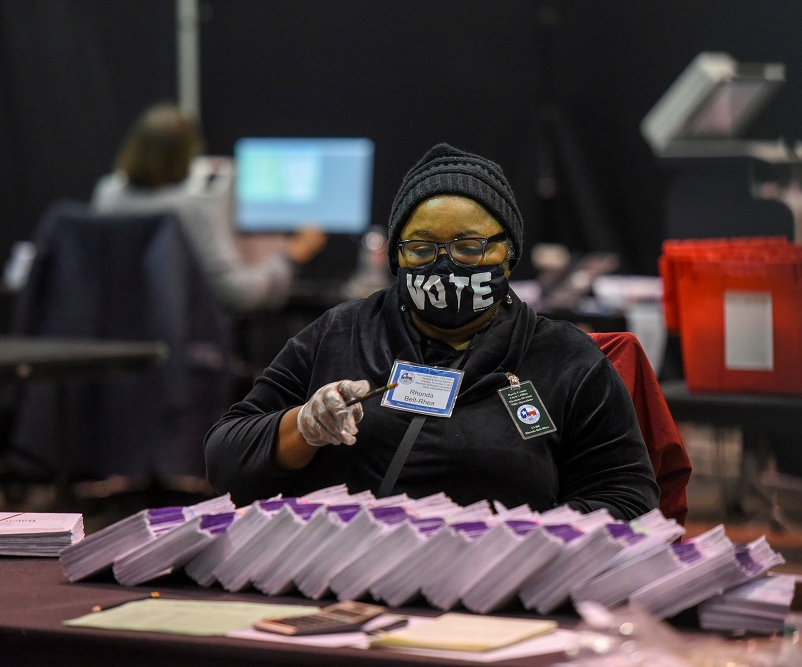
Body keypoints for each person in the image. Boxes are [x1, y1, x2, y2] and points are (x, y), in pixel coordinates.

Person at [205, 143, 659, 519]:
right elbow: (224, 459)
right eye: (422, 249)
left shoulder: (564, 358)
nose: (445, 265)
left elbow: (629, 501)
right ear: (397, 257)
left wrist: (522, 540)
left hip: (496, 596)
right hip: (343, 583)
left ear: (508, 251)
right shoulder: (342, 333)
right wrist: (303, 425)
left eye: (469, 247)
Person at [91, 103, 326, 313]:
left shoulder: (107, 195)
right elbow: (238, 293)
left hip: (111, 333)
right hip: (180, 339)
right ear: (188, 155)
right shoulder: (189, 208)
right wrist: (291, 256)